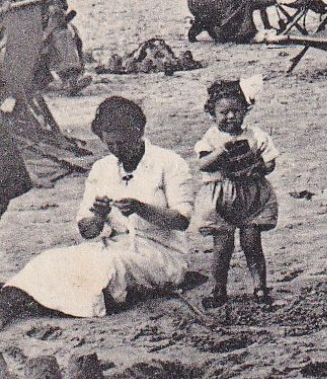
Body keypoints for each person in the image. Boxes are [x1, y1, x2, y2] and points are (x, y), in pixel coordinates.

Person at [0, 98, 192, 326]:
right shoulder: (103, 168)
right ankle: (11, 303)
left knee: (108, 267)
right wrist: (99, 216)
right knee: (51, 259)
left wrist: (140, 208)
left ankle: (33, 304)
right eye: (110, 144)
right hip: (113, 245)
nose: (116, 150)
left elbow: (181, 221)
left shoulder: (169, 163)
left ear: (138, 131)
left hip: (161, 253)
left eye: (121, 143)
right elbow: (87, 231)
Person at [194, 79, 279, 309]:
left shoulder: (255, 135)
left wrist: (259, 167)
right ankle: (218, 289)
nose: (231, 117)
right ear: (212, 113)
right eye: (224, 112)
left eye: (236, 111)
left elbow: (270, 161)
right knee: (222, 247)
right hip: (221, 199)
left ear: (245, 111)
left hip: (251, 197)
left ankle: (260, 287)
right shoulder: (211, 139)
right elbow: (202, 164)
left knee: (252, 243)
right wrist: (219, 153)